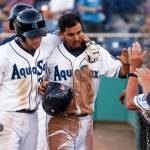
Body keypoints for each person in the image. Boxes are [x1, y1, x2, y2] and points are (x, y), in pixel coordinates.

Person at [38, 12, 130, 150]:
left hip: (86, 120)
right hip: (58, 119)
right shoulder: (52, 53)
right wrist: (42, 84)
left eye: (79, 32)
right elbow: (39, 80)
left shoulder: (96, 52)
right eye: (70, 34)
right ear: (61, 34)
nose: (76, 37)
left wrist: (126, 64)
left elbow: (121, 72)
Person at [0, 8, 63, 150]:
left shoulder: (46, 43)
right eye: (32, 36)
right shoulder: (3, 54)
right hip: (8, 117)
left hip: (33, 117)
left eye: (40, 35)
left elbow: (67, 34)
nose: (37, 39)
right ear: (21, 34)